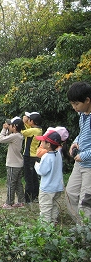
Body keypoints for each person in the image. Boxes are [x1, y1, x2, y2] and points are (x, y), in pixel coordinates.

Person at [66, 81, 91, 223]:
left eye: (76, 104)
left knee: (85, 202)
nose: (74, 108)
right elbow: (83, 134)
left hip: (89, 166)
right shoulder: (83, 115)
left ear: (87, 100)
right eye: (72, 104)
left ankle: (86, 237)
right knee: (70, 194)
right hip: (79, 164)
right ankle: (81, 228)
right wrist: (76, 141)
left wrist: (85, 155)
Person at [34, 130, 64, 224]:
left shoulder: (46, 156)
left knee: (45, 208)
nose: (41, 142)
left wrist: (36, 165)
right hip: (57, 187)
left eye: (43, 141)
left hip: (47, 188)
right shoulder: (58, 154)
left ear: (48, 145)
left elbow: (42, 171)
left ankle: (45, 227)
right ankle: (53, 222)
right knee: (54, 206)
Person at [0, 117, 25, 209]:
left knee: (11, 183)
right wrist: (8, 130)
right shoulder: (19, 135)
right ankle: (21, 201)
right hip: (18, 163)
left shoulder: (14, 136)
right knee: (18, 183)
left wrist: (4, 129)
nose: (8, 126)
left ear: (14, 127)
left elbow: (1, 139)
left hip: (12, 164)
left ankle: (9, 203)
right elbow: (7, 137)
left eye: (10, 125)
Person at [21, 111, 42, 204]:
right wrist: (26, 123)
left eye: (29, 119)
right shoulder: (38, 130)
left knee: (28, 178)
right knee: (34, 178)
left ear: (32, 121)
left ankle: (28, 198)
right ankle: (35, 196)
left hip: (29, 157)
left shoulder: (33, 131)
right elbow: (28, 130)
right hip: (35, 156)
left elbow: (22, 132)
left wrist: (22, 122)